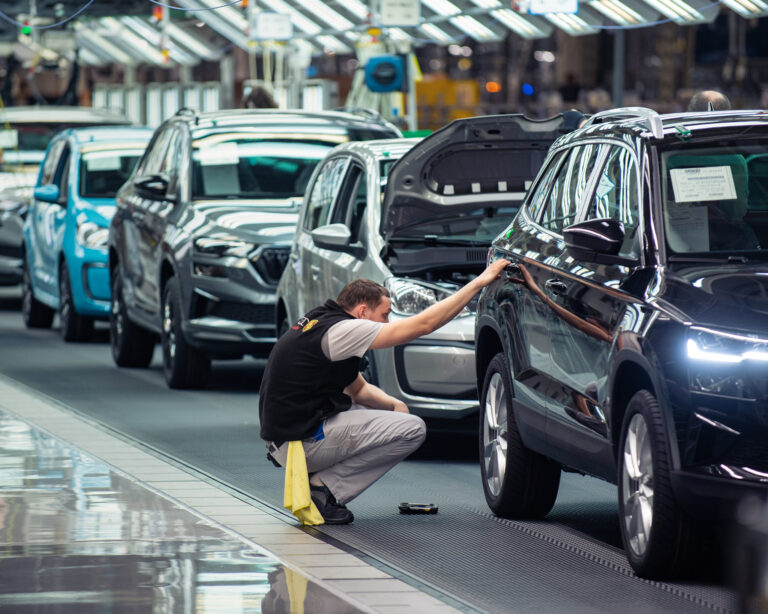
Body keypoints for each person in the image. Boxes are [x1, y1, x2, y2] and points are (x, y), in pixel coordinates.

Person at [259, 258, 510, 524]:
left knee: (399, 419)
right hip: (298, 444)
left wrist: (394, 405)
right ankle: (324, 490)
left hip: (289, 438)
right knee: (413, 429)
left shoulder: (324, 322)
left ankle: (321, 484)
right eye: (385, 315)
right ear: (363, 312)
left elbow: (358, 389)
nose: (387, 322)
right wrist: (480, 282)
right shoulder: (345, 330)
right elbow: (422, 326)